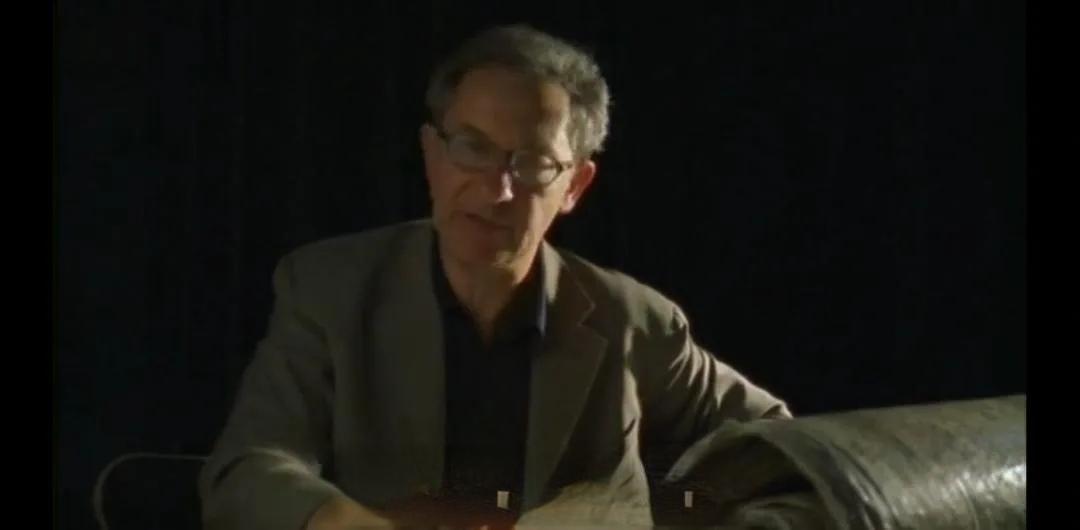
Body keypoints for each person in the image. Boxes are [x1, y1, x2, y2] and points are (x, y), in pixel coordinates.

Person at [198, 24, 791, 530]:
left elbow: (785, 446)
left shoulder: (635, 320)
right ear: (432, 154)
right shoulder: (331, 288)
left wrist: (682, 515)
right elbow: (248, 468)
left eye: (531, 163)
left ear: (575, 186)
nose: (496, 190)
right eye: (472, 148)